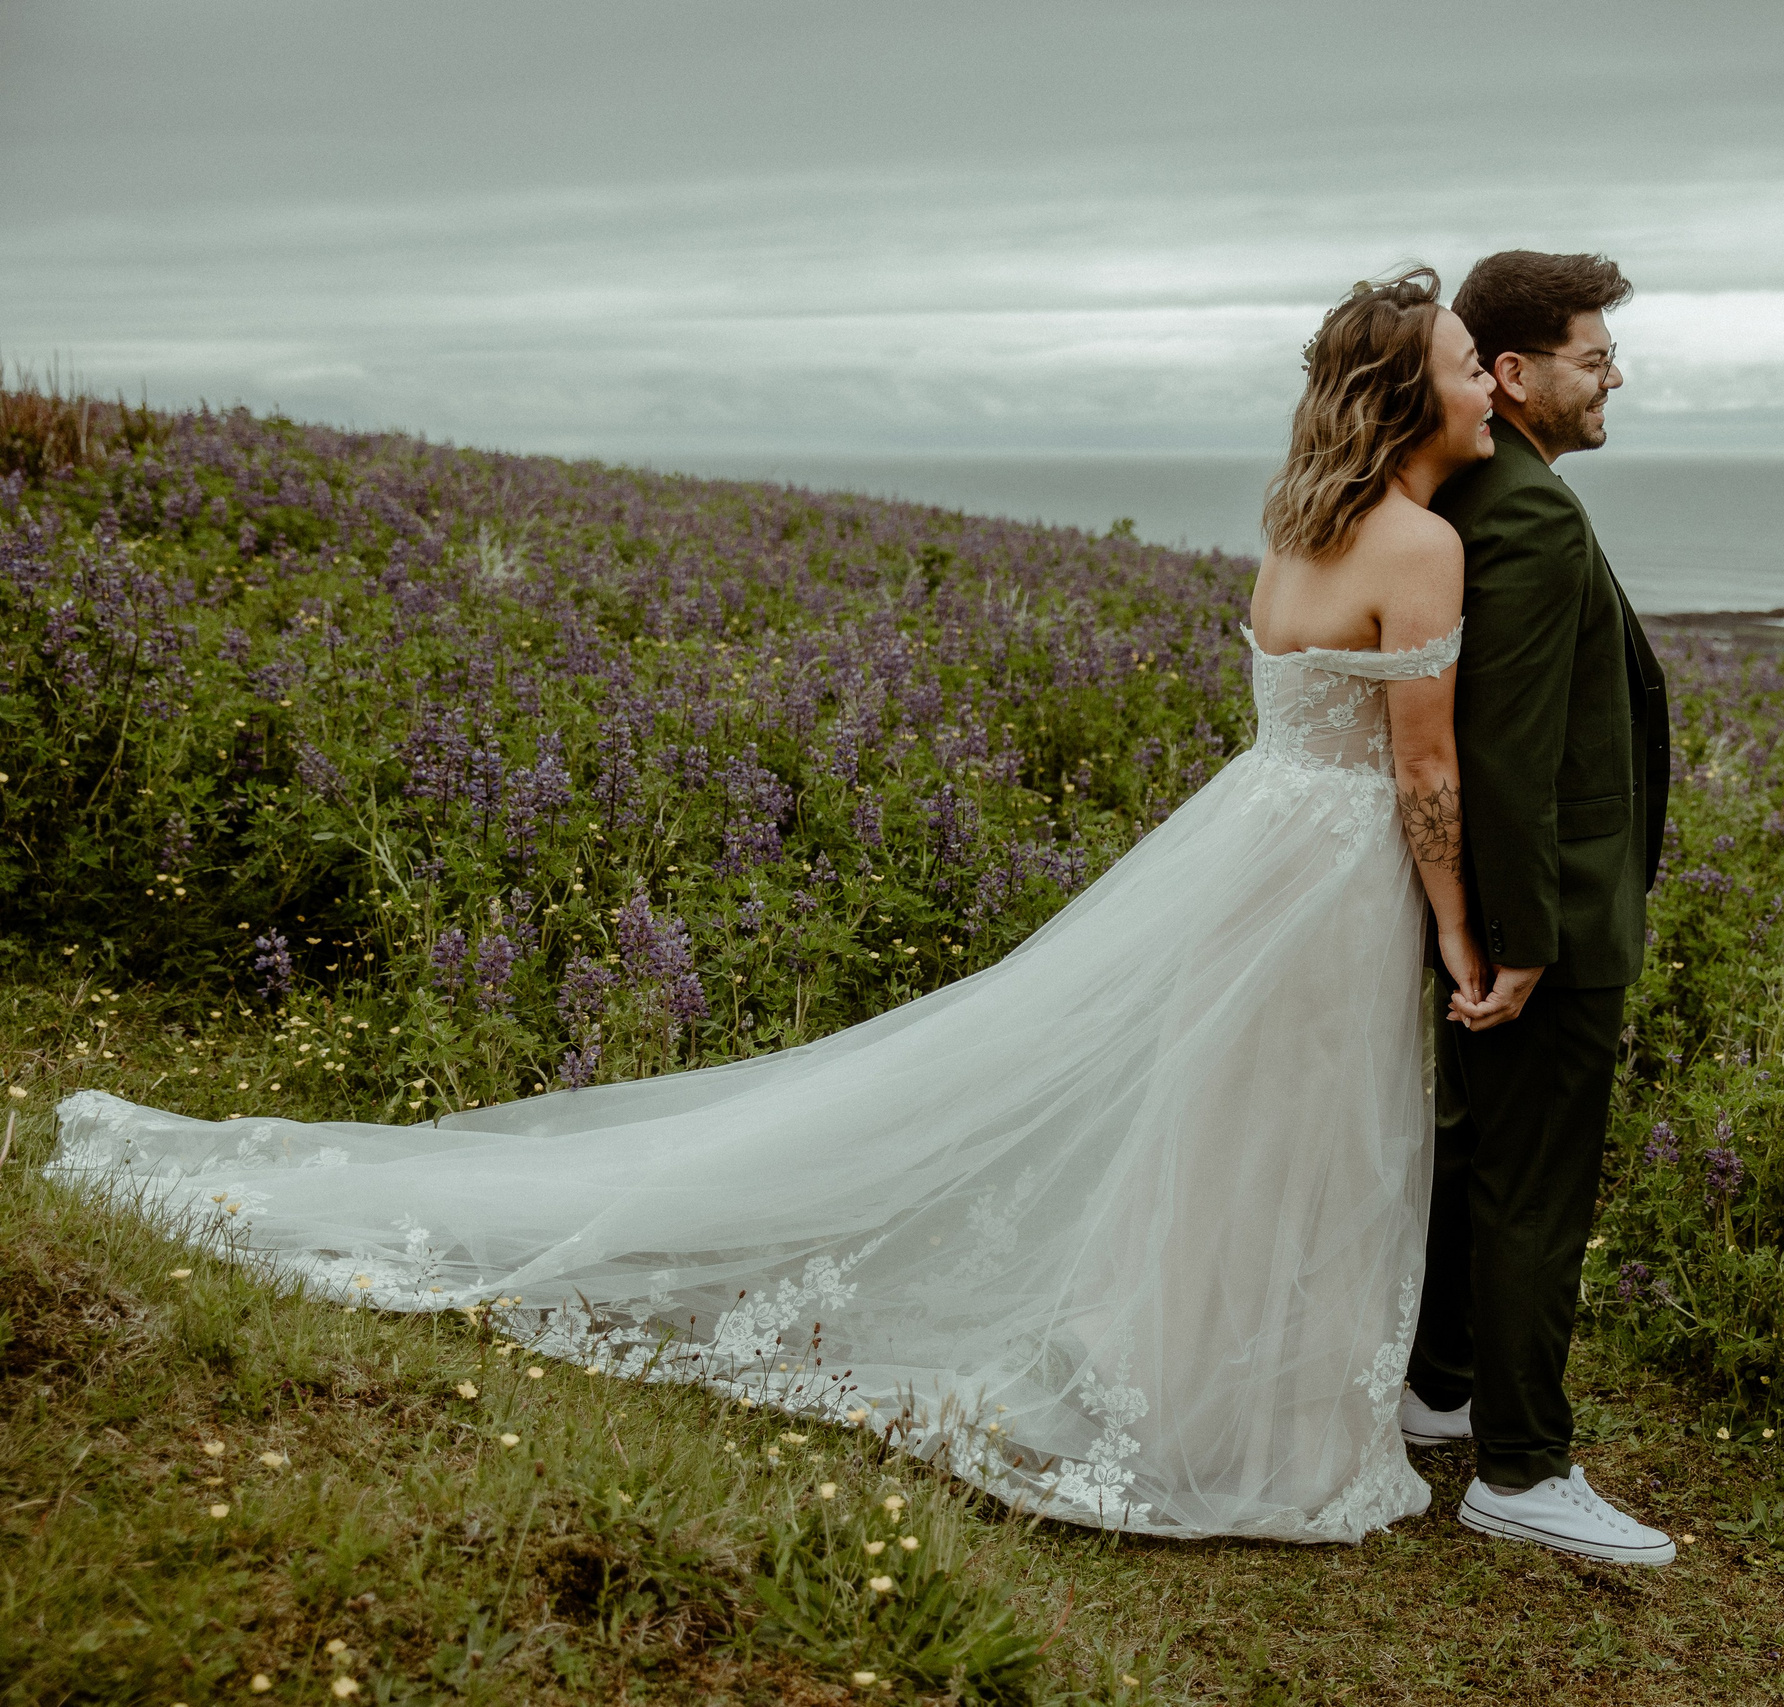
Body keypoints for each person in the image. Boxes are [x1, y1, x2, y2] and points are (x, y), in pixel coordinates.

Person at [47, 269, 1503, 1545]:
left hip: (1249, 834)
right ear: (1403, 392)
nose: (1485, 383)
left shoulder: (1298, 521)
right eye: (1460, 362)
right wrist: (1453, 927)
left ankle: (1203, 1401)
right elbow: (1424, 773)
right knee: (1297, 1131)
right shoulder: (1424, 547)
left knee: (1231, 1127)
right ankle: (1254, 1433)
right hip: (1325, 867)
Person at [1396, 251, 1676, 1567]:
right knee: (1535, 1188)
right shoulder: (1529, 513)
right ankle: (1522, 1468)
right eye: (1592, 352)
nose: (1615, 371)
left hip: (1519, 914)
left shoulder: (1481, 490)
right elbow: (1502, 749)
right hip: (1546, 924)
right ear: (1513, 376)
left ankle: (1442, 1390)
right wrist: (1520, 940)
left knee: (1477, 1168)